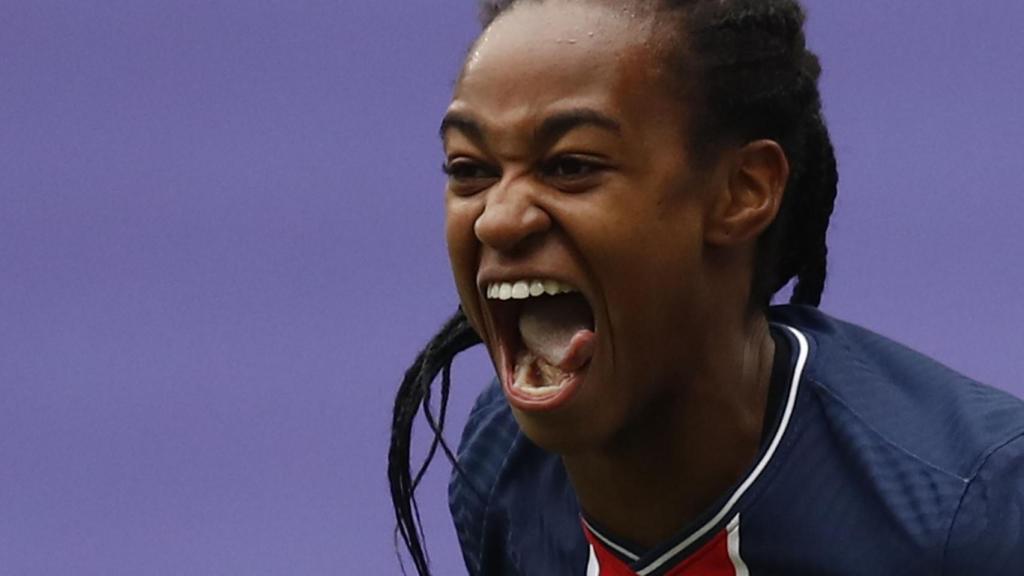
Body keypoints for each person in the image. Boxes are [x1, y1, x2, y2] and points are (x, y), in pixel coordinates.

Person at [388, 0, 1024, 574]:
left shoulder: (976, 510)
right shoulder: (500, 469)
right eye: (469, 170)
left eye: (571, 166)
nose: (498, 217)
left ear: (743, 190)